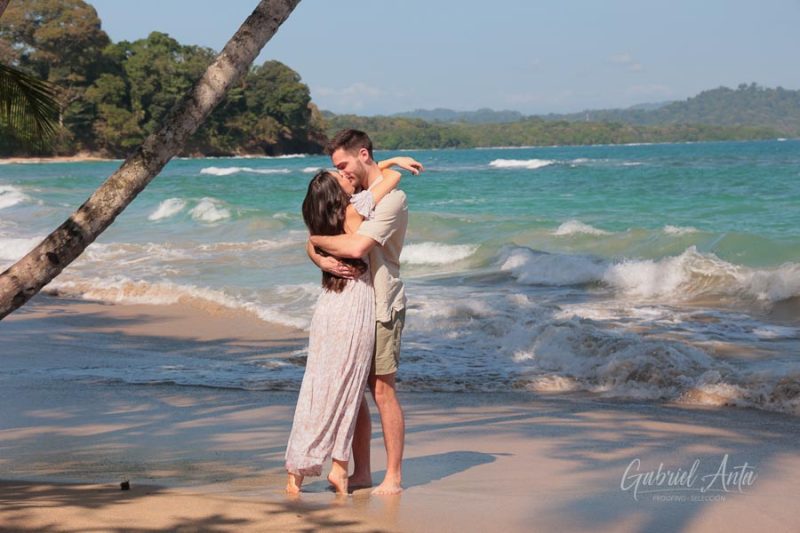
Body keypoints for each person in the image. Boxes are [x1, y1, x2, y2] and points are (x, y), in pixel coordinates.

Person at [285, 154, 418, 495]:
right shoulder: (355, 209)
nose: (346, 175)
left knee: (332, 385)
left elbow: (318, 237)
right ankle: (347, 471)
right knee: (353, 389)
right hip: (357, 304)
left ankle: (305, 468)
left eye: (343, 167)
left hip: (332, 304)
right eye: (340, 174)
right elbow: (390, 181)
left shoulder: (319, 217)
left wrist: (315, 244)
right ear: (337, 193)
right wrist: (394, 164)